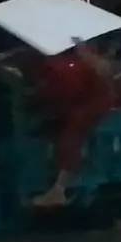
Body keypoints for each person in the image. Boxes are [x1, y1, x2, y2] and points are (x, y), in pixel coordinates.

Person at [33, 39, 115, 207]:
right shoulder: (75, 64)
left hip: (85, 111)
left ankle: (59, 189)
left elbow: (71, 92)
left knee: (70, 140)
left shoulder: (75, 65)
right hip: (81, 109)